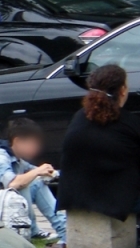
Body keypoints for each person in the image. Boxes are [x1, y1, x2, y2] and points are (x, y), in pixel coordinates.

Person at [56, 64, 140, 237]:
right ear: (122, 90)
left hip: (74, 196)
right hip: (117, 201)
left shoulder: (79, 117)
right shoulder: (128, 123)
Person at [0, 117, 67, 248]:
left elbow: (41, 173)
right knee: (25, 183)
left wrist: (55, 173)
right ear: (18, 141)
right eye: (33, 144)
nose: (36, 149)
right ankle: (42, 230)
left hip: (4, 212)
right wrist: (37, 171)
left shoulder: (17, 159)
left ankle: (64, 232)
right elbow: (12, 183)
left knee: (36, 182)